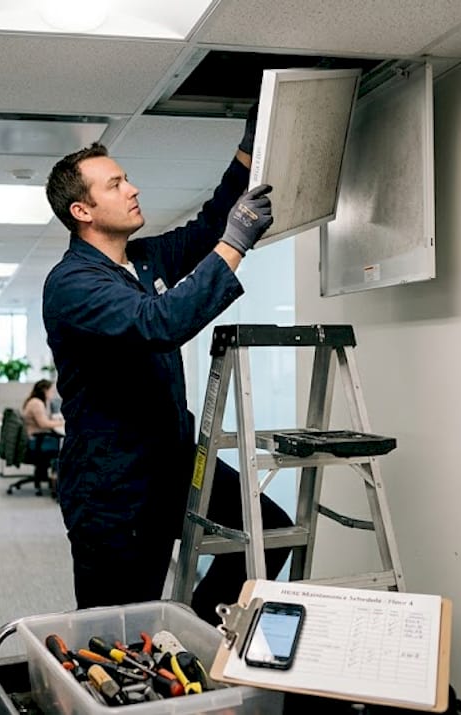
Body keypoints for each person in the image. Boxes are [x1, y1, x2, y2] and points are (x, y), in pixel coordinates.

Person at [42, 108, 292, 624]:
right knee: (119, 626)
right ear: (82, 211)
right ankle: (155, 651)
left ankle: (196, 629)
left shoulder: (143, 260)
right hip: (113, 487)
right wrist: (235, 244)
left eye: (126, 178)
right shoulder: (72, 284)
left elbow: (210, 226)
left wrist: (248, 152)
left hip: (172, 462)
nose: (132, 189)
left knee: (268, 532)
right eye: (115, 185)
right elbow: (158, 322)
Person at [21, 379, 64, 488]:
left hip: (35, 439)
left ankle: (54, 476)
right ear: (45, 390)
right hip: (36, 441)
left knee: (60, 441)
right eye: (51, 391)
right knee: (63, 448)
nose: (52, 393)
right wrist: (62, 422)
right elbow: (43, 424)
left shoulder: (34, 401)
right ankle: (55, 478)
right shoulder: (37, 403)